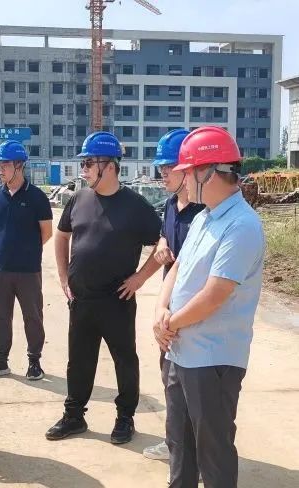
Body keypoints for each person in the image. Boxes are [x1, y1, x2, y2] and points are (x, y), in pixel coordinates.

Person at [154, 126, 265, 488]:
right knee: (180, 446)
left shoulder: (242, 225)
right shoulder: (204, 217)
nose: (182, 179)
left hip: (213, 359)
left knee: (213, 454)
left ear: (208, 172)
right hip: (181, 351)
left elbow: (216, 293)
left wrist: (171, 323)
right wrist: (160, 310)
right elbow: (178, 268)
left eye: (186, 171)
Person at [46, 131, 162, 444]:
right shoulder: (79, 199)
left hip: (116, 300)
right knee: (79, 361)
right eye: (83, 163)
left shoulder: (135, 206)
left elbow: (165, 243)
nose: (83, 169)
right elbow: (61, 235)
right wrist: (63, 277)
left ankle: (125, 418)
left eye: (88, 163)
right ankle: (74, 416)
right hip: (81, 299)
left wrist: (140, 277)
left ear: (109, 165)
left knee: (124, 360)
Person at [142, 129, 206, 462]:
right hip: (168, 311)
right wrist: (163, 246)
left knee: (195, 390)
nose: (163, 173)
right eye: (161, 168)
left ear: (189, 168)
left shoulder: (205, 211)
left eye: (169, 167)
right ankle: (175, 446)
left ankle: (195, 456)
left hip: (194, 312)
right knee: (171, 382)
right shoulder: (170, 205)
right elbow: (164, 237)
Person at [0, 140, 53, 381]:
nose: (0, 169)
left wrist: (26, 249)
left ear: (19, 165)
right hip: (1, 267)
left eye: (5, 164)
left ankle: (34, 361)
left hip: (28, 270)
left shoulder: (37, 197)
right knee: (0, 316)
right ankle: (1, 361)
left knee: (33, 317)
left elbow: (46, 232)